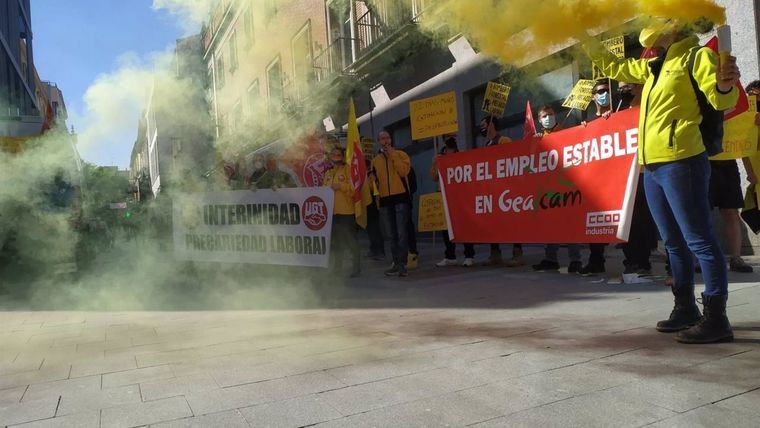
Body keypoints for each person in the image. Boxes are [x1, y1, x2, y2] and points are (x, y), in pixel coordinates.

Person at [588, 18, 742, 343]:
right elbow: (616, 66)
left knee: (699, 238)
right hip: (651, 166)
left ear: (677, 25)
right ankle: (685, 307)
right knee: (671, 241)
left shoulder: (696, 56)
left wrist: (726, 85)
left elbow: (722, 100)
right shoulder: (654, 65)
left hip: (682, 160)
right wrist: (585, 40)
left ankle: (717, 318)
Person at [531, 106, 583, 273]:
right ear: (539, 120)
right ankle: (550, 258)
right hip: (548, 188)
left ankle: (575, 260)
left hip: (565, 185)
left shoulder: (565, 132)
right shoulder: (539, 138)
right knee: (551, 224)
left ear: (555, 116)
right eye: (544, 116)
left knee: (569, 224)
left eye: (550, 115)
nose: (548, 118)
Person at [617, 82, 659, 275]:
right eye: (622, 88)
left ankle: (644, 259)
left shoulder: (649, 102)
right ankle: (632, 260)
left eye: (629, 86)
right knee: (629, 221)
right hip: (623, 175)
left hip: (645, 170)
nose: (626, 91)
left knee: (645, 219)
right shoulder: (618, 109)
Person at [578, 79, 614, 276]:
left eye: (607, 90)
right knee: (596, 221)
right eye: (600, 91)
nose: (604, 94)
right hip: (597, 181)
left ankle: (636, 262)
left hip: (618, 178)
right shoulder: (589, 123)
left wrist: (615, 118)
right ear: (593, 97)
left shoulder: (619, 113)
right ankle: (596, 260)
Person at [478, 116, 524, 267]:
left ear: (492, 124)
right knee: (493, 222)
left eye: (484, 124)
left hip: (506, 188)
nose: (482, 127)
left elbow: (510, 158)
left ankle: (517, 253)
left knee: (512, 221)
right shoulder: (485, 144)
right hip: (492, 190)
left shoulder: (504, 140)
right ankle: (495, 254)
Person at [371, 130, 412, 277]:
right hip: (385, 200)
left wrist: (392, 155)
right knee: (391, 234)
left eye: (387, 138)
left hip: (400, 198)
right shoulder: (376, 161)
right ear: (378, 142)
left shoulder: (401, 155)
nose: (385, 141)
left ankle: (402, 264)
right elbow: (374, 183)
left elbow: (403, 172)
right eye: (382, 139)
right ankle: (396, 263)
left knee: (401, 233)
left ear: (391, 139)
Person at [432, 137, 477, 267]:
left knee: (464, 225)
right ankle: (450, 255)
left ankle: (469, 255)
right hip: (445, 196)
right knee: (446, 227)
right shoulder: (440, 156)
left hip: (460, 196)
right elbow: (434, 177)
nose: (447, 150)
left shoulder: (461, 156)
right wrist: (435, 163)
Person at [324, 147, 360, 278]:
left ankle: (356, 267)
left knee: (351, 241)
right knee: (337, 243)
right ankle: (337, 267)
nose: (336, 157)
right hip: (333, 213)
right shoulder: (327, 173)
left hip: (346, 212)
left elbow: (354, 189)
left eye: (338, 155)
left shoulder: (348, 170)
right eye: (333, 154)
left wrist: (341, 186)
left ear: (343, 156)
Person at [404, 163, 420, 269]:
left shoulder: (408, 169)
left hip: (405, 201)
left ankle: (412, 252)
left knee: (408, 227)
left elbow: (414, 186)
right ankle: (402, 255)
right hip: (393, 202)